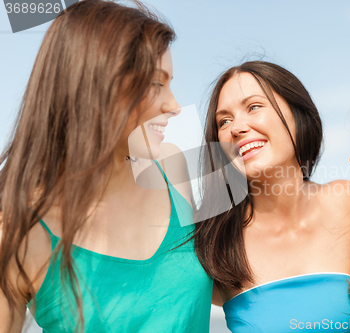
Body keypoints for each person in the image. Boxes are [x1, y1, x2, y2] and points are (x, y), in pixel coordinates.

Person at [0, 1, 212, 332]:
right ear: (96, 82)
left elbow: (236, 276)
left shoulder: (172, 164)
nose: (174, 105)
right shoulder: (17, 232)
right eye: (157, 83)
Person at [195, 61, 350, 332]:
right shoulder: (212, 243)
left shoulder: (348, 202)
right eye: (224, 121)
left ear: (298, 114)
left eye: (254, 107)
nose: (237, 127)